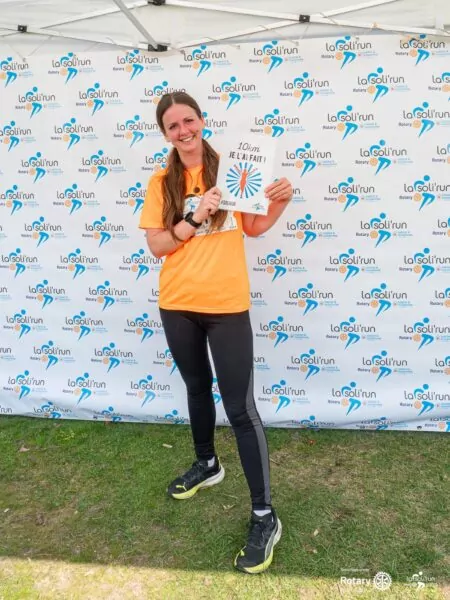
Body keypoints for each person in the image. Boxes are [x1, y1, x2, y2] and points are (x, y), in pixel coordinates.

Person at [139, 91, 293, 574]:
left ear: (201, 121)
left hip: (226, 306)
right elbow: (157, 246)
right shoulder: (161, 182)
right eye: (173, 126)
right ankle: (207, 464)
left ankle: (264, 515)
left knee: (241, 409)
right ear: (165, 134)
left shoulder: (233, 168)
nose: (183, 130)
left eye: (189, 120)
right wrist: (194, 216)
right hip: (177, 304)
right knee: (195, 388)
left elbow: (254, 228)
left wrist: (280, 203)